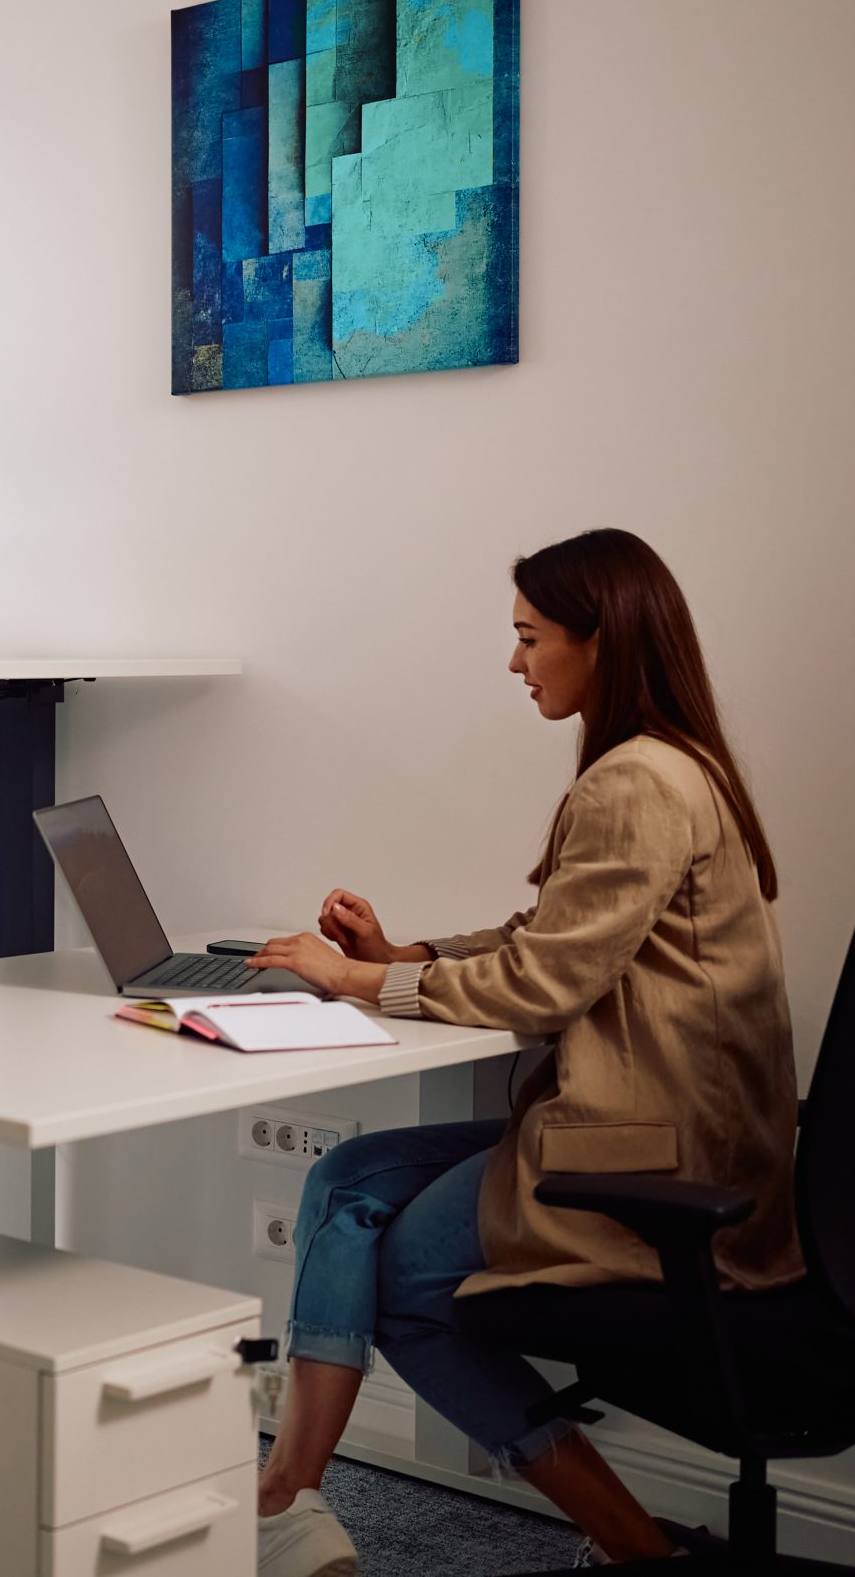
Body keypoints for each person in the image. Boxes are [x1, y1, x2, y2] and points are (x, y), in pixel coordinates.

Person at [241, 529, 803, 1574]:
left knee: (408, 1295)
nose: (515, 664)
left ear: (603, 641)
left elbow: (546, 986)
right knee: (350, 1173)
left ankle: (633, 1548)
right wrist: (404, 953)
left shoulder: (634, 782)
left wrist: (354, 979)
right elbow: (551, 934)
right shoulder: (678, 768)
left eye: (529, 638)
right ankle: (290, 1493)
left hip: (660, 1165)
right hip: (680, 1132)